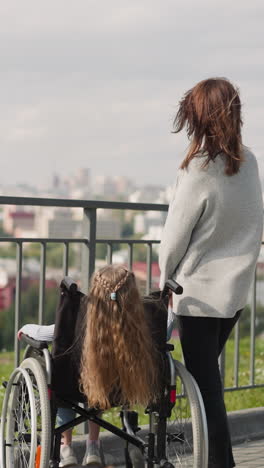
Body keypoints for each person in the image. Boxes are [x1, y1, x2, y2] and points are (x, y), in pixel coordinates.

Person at [159, 77, 263, 468]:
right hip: (234, 296)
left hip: (198, 295)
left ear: (199, 118)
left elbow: (173, 239)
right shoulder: (249, 162)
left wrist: (164, 279)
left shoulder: (198, 169)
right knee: (208, 383)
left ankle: (223, 463)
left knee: (205, 390)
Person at [18, 265, 158, 467]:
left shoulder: (77, 320)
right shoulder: (142, 325)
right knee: (100, 378)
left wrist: (25, 329)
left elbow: (45, 334)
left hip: (74, 387)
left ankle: (66, 447)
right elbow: (167, 327)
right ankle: (93, 445)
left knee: (69, 379)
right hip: (122, 389)